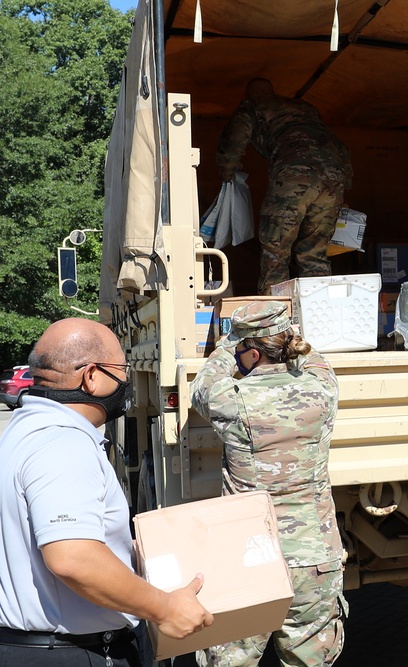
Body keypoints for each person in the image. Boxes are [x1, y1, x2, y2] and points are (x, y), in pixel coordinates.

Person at [0, 318, 213, 666]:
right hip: (71, 653)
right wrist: (165, 608)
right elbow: (72, 556)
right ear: (92, 376)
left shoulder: (22, 429)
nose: (126, 382)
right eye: (122, 370)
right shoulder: (63, 443)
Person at [191, 302, 347, 666]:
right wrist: (285, 338)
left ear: (253, 353)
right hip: (315, 559)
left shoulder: (228, 398)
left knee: (232, 659)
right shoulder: (322, 389)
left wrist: (231, 345)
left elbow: (205, 382)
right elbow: (313, 359)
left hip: (249, 557)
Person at [217, 78, 354, 293]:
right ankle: (317, 313)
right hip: (333, 174)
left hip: (295, 172)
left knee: (276, 250)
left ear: (248, 94)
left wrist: (227, 172)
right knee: (315, 252)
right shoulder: (304, 108)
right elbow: (339, 146)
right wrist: (344, 187)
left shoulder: (253, 105)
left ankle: (275, 314)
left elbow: (234, 140)